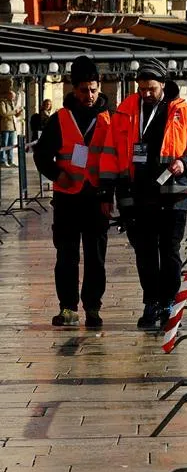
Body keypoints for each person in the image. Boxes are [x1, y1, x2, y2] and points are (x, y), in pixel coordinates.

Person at [101, 58, 187, 332]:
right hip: (137, 193)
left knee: (170, 249)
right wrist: (107, 192)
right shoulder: (125, 111)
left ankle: (169, 301)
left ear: (163, 84)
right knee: (145, 252)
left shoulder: (181, 111)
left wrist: (185, 163)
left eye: (152, 88)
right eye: (143, 89)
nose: (147, 93)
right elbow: (111, 152)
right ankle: (151, 302)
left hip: (174, 193)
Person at [33, 58, 113, 329]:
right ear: (73, 90)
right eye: (83, 90)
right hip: (67, 197)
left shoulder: (110, 120)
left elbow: (116, 160)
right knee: (66, 255)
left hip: (97, 197)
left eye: (92, 90)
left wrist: (109, 195)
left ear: (99, 87)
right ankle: (68, 307)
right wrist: (58, 174)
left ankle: (92, 307)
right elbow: (42, 156)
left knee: (95, 257)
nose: (88, 96)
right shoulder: (60, 119)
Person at [0, 81, 21, 166]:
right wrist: (14, 111)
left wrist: (18, 113)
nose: (13, 98)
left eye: (14, 97)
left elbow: (14, 115)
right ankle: (2, 160)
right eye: (12, 96)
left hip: (13, 127)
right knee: (4, 144)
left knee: (11, 145)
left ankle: (10, 160)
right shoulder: (2, 103)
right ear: (8, 95)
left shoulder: (12, 103)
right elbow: (4, 113)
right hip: (5, 127)